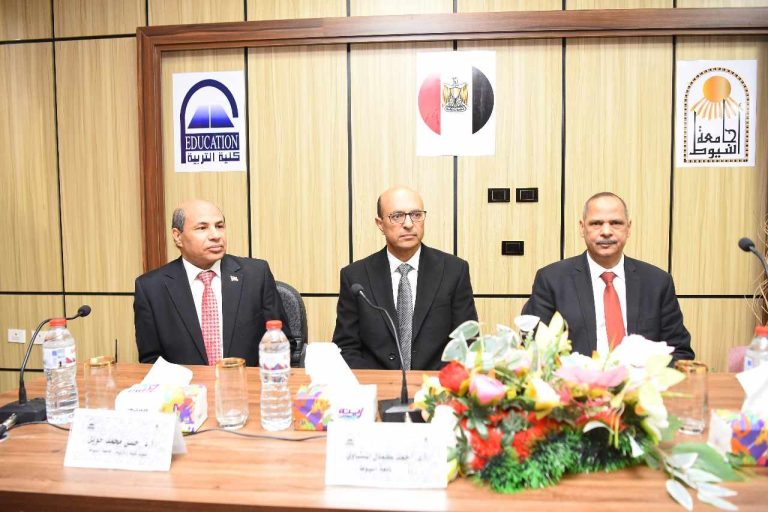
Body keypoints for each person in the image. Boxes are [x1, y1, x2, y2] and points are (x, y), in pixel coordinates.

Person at [523, 192, 694, 361]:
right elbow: (533, 349)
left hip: (641, 378)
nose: (606, 232)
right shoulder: (551, 280)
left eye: (616, 223)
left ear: (628, 228)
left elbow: (680, 352)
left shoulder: (657, 282)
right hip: (578, 378)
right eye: (596, 223)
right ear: (582, 228)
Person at [332, 186, 478, 370]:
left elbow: (468, 342)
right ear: (380, 224)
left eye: (416, 215)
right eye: (397, 216)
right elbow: (346, 348)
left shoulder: (454, 271)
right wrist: (377, 382)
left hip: (436, 383)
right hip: (376, 383)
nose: (409, 224)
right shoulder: (355, 276)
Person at [134, 199, 292, 366]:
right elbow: (150, 360)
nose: (216, 236)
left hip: (246, 380)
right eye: (202, 228)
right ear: (178, 236)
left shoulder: (256, 275)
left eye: (219, 226)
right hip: (185, 383)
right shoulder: (151, 288)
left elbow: (281, 342)